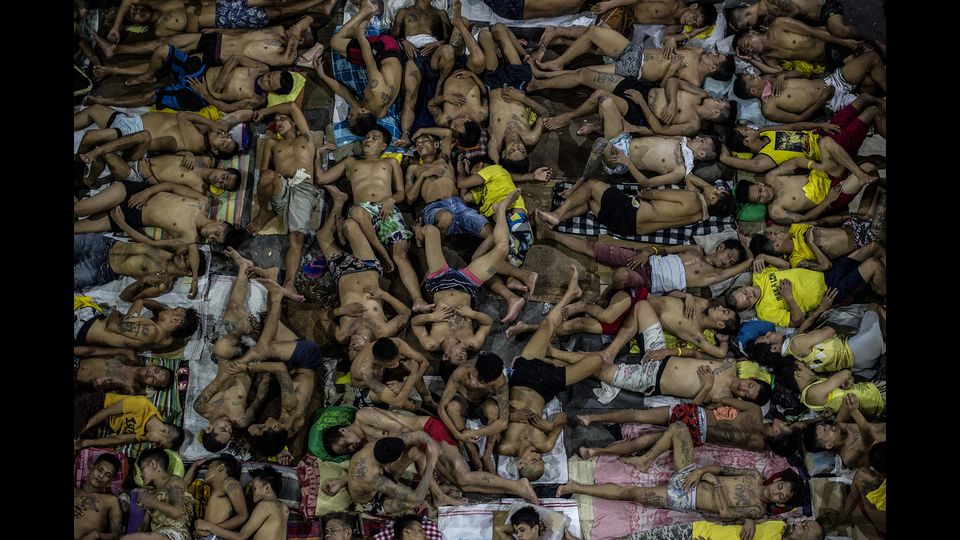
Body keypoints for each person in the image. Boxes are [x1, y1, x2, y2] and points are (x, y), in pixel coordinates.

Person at [557, 424, 807, 519]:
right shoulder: (753, 475)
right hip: (692, 476)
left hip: (687, 497)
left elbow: (725, 513)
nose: (777, 492)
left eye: (781, 496)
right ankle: (645, 460)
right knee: (679, 429)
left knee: (632, 493)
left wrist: (714, 484)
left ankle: (575, 487)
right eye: (781, 487)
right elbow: (720, 469)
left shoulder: (758, 510)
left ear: (780, 503)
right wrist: (701, 472)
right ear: (778, 481)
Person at [497, 266, 607, 481]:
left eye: (534, 461)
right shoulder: (545, 445)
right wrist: (550, 425)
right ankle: (554, 357)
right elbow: (563, 418)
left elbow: (492, 418)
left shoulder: (505, 446)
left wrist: (510, 415)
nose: (539, 457)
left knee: (547, 325)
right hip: (547, 387)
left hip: (523, 378)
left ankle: (571, 293)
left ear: (520, 464)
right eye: (541, 461)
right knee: (598, 361)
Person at [315, 126, 429, 312]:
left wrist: (391, 200)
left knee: (400, 255)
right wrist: (318, 154)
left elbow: (401, 193)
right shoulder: (351, 162)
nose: (368, 140)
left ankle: (418, 299)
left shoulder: (391, 163)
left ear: (383, 146)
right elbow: (321, 178)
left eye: (374, 138)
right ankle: (382, 253)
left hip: (387, 209)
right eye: (367, 136)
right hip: (364, 211)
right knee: (356, 213)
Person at [320, 408, 540, 505]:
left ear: (343, 430)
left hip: (427, 430)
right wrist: (342, 481)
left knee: (462, 477)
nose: (350, 448)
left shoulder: (363, 417)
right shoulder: (364, 447)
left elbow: (403, 429)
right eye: (345, 451)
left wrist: (429, 452)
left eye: (345, 444)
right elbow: (363, 470)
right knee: (462, 484)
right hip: (416, 443)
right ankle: (510, 490)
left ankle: (518, 485)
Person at [409, 191, 521, 363]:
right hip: (468, 283)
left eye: (458, 358)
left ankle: (419, 233)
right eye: (465, 359)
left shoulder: (431, 343)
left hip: (440, 281)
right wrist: (473, 314)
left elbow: (415, 323)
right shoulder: (472, 343)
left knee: (430, 230)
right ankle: (500, 209)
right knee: (503, 248)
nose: (463, 356)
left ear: (446, 356)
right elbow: (488, 323)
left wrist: (431, 318)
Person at [245, 101, 335, 302]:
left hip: (304, 189)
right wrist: (272, 183)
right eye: (276, 121)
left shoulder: (307, 138)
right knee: (267, 176)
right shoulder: (272, 143)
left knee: (297, 237)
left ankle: (289, 283)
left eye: (282, 119)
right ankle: (264, 212)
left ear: (294, 123)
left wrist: (265, 112)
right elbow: (263, 171)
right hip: (282, 185)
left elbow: (292, 106)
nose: (278, 123)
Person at [314, 186, 412, 352]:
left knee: (322, 236)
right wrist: (384, 295)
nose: (352, 346)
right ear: (369, 350)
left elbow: (323, 317)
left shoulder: (342, 335)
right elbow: (405, 314)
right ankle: (347, 236)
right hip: (367, 265)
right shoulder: (382, 331)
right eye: (358, 350)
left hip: (342, 272)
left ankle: (339, 201)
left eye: (350, 351)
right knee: (349, 225)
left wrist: (341, 311)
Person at [535, 227, 751, 294]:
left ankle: (609, 292)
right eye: (729, 257)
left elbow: (746, 265)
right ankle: (549, 234)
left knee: (620, 275)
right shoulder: (695, 249)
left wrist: (749, 249)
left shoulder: (711, 276)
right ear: (721, 247)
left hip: (649, 280)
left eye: (731, 263)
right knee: (593, 248)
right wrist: (648, 252)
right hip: (645, 261)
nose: (727, 263)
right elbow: (665, 249)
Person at [576, 399, 804, 457]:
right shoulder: (759, 447)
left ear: (777, 433)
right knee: (645, 442)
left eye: (784, 426)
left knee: (639, 415)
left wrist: (714, 407)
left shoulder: (755, 411)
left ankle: (591, 418)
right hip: (697, 435)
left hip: (696, 415)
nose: (782, 421)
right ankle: (595, 452)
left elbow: (723, 399)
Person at [725, 249, 885, 327]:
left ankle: (878, 288)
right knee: (873, 264)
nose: (750, 295)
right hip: (832, 292)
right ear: (749, 307)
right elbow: (798, 322)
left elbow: (785, 265)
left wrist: (764, 256)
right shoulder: (765, 312)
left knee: (875, 247)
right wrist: (789, 298)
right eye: (747, 301)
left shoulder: (758, 276)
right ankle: (881, 292)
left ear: (743, 286)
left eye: (745, 292)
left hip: (827, 275)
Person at [535, 178, 735, 238]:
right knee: (589, 202)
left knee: (592, 185)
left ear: (712, 200)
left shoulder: (692, 197)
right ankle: (554, 222)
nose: (714, 188)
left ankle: (557, 214)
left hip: (630, 212)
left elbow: (655, 195)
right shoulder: (700, 216)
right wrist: (708, 190)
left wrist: (642, 195)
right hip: (626, 229)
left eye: (717, 192)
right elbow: (693, 181)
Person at [323, 2, 404, 132]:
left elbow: (345, 94)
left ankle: (367, 13)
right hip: (387, 47)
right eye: (351, 116)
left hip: (386, 60)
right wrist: (361, 33)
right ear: (363, 112)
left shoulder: (376, 114)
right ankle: (367, 10)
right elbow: (369, 60)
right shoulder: (375, 89)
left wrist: (322, 75)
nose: (349, 115)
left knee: (346, 51)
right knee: (336, 42)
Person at [747, 303, 886, 374]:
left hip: (860, 364)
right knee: (873, 306)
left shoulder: (790, 362)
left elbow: (801, 333)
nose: (769, 332)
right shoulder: (796, 344)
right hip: (859, 347)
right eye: (766, 337)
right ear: (774, 348)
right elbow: (829, 331)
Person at [74, 105, 246, 158]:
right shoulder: (202, 131)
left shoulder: (198, 143)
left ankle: (80, 160)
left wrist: (212, 124)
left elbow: (182, 116)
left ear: (214, 150)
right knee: (93, 110)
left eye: (224, 143)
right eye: (227, 137)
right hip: (132, 123)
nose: (224, 136)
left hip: (133, 134)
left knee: (91, 136)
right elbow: (238, 115)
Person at [74, 234, 208, 301]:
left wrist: (143, 280)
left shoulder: (161, 283)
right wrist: (195, 279)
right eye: (186, 254)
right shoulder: (170, 250)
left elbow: (124, 297)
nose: (183, 255)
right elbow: (192, 241)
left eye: (186, 260)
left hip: (100, 269)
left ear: (187, 272)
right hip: (103, 244)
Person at [437, 352, 510, 471]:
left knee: (494, 410)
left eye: (480, 382)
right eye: (473, 376)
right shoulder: (461, 372)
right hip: (464, 400)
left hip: (484, 403)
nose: (473, 383)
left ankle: (487, 456)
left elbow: (503, 422)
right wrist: (458, 435)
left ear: (491, 381)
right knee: (452, 407)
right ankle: (471, 449)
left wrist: (475, 433)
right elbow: (441, 408)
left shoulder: (500, 383)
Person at [194, 466, 290, 540]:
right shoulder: (284, 508)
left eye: (254, 488)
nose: (252, 492)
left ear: (267, 488)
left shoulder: (266, 505)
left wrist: (209, 527)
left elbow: (240, 537)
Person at [749, 219, 881, 271]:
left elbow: (824, 222)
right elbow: (826, 266)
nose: (779, 232)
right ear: (777, 245)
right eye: (775, 234)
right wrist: (810, 243)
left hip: (855, 225)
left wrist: (850, 216)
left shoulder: (795, 229)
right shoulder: (797, 260)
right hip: (862, 242)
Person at [74, 298, 200, 352]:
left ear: (176, 320)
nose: (169, 308)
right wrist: (141, 302)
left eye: (174, 309)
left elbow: (112, 325)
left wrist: (115, 312)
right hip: (86, 326)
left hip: (82, 324)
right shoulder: (164, 339)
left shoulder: (150, 331)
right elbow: (156, 307)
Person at [123, 448, 195, 540]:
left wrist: (151, 501)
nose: (140, 475)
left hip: (175, 533)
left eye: (142, 468)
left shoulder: (174, 482)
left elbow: (178, 512)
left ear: (153, 464)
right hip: (159, 534)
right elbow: (144, 525)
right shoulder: (154, 495)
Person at [773, 360, 885, 419]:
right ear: (797, 374)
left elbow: (845, 377)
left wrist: (848, 379)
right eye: (805, 366)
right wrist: (846, 376)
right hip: (877, 400)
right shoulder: (812, 393)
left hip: (873, 392)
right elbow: (845, 373)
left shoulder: (814, 385)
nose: (809, 367)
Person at [75, 391, 185, 451]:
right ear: (164, 430)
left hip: (99, 423)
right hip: (96, 404)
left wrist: (86, 443)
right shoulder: (142, 405)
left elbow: (117, 439)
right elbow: (105, 412)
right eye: (159, 443)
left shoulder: (145, 435)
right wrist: (79, 432)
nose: (154, 446)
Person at [801, 394, 886, 469]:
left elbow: (847, 401)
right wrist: (855, 412)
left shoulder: (839, 425)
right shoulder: (848, 457)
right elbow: (869, 440)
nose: (828, 426)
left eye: (824, 425)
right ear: (829, 445)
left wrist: (823, 417)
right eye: (825, 430)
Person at [349, 337, 433, 411]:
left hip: (383, 373)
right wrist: (412, 375)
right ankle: (416, 409)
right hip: (366, 388)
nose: (396, 364)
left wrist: (403, 384)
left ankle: (426, 399)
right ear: (377, 361)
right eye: (391, 364)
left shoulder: (396, 343)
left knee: (413, 363)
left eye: (398, 359)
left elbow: (424, 363)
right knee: (403, 401)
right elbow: (398, 402)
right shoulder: (367, 372)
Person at [820, 442, 885, 535]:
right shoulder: (863, 477)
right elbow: (853, 496)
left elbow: (853, 496)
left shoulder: (862, 476)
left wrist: (842, 516)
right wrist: (842, 517)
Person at [183, 454, 249, 540]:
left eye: (209, 467)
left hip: (215, 536)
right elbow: (182, 487)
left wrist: (210, 528)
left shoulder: (229, 482)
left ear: (221, 467)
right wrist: (194, 466)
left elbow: (243, 515)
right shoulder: (214, 491)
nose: (206, 472)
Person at [75, 346, 174, 395]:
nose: (151, 375)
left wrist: (99, 385)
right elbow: (94, 350)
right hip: (77, 359)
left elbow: (101, 397)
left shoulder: (130, 388)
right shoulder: (129, 355)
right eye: (156, 371)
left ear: (151, 386)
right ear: (153, 365)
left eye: (154, 380)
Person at [74, 453, 124, 540]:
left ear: (110, 481)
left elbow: (117, 535)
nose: (101, 476)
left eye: (107, 475)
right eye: (100, 470)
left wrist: (97, 535)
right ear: (91, 467)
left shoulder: (110, 500)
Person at [625, 518, 824, 540]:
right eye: (805, 522)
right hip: (700, 530)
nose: (800, 523)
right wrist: (749, 520)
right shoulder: (781, 525)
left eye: (804, 528)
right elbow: (749, 518)